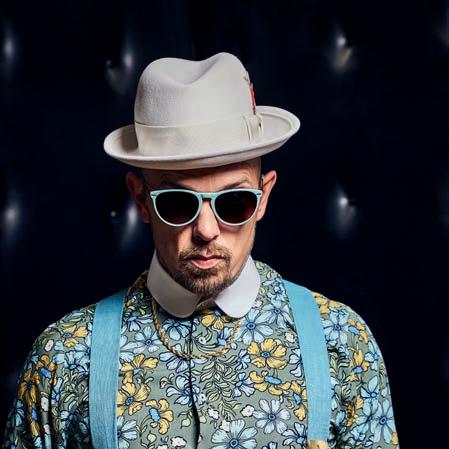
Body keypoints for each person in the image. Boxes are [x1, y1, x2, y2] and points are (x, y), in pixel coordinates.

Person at [3, 52, 399, 449]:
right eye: (177, 203)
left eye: (233, 202)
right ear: (141, 200)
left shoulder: (341, 343)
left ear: (263, 197)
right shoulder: (66, 357)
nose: (206, 230)